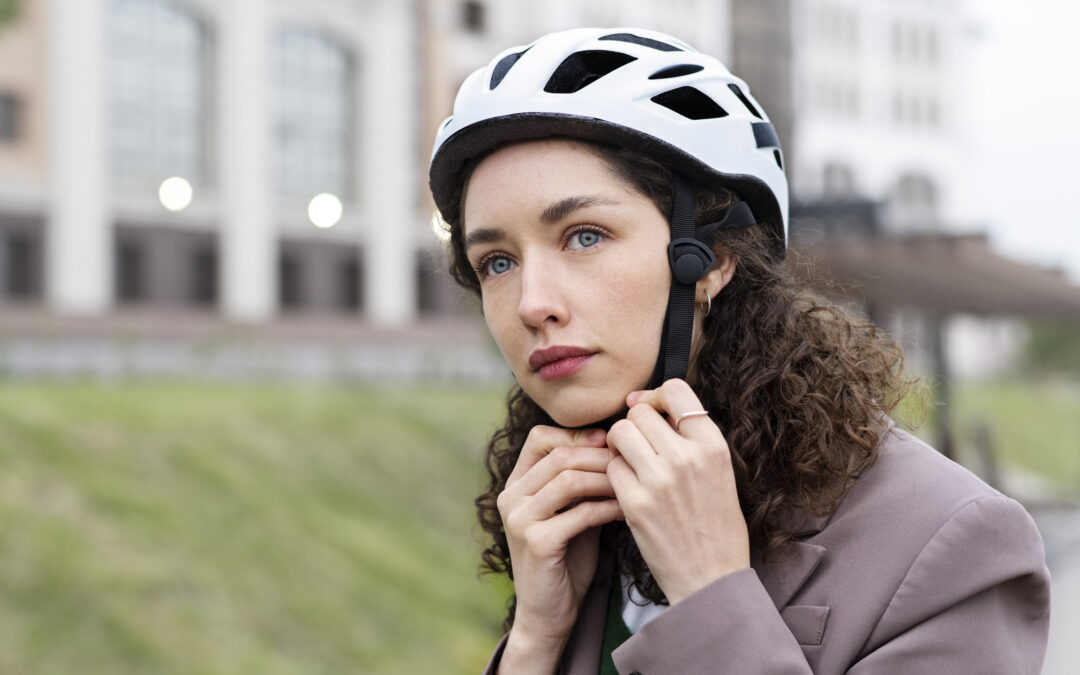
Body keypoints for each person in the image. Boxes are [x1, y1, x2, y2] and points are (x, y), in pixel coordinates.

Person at [428, 27, 1050, 675]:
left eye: (584, 236)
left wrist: (709, 590)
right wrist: (533, 639)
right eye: (497, 260)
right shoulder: (571, 533)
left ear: (714, 257)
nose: (531, 303)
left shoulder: (954, 540)